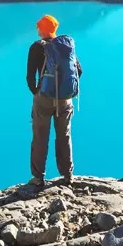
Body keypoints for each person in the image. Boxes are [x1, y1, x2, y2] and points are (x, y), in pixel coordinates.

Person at [26, 14, 82, 188]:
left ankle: (38, 177)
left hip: (44, 99)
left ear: (42, 29)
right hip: (65, 100)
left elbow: (29, 77)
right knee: (64, 136)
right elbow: (79, 71)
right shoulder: (65, 46)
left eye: (38, 27)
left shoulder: (36, 47)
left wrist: (37, 92)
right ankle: (67, 175)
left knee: (40, 138)